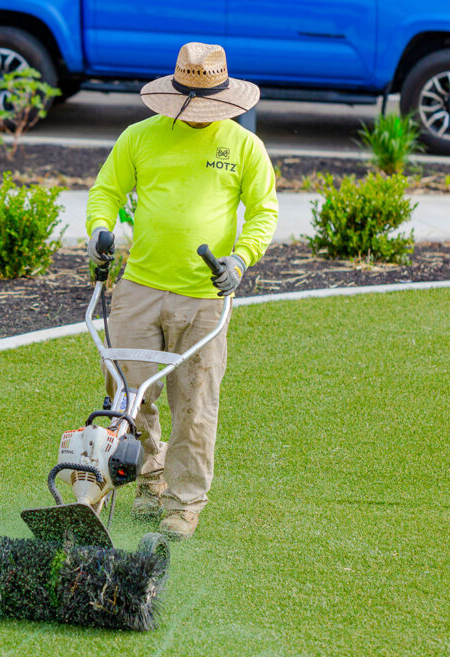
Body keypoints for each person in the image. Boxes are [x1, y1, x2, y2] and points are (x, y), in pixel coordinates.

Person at [84, 42, 278, 540]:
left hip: (204, 296)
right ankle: (151, 478)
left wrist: (240, 259)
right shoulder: (139, 137)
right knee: (128, 398)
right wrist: (100, 230)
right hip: (140, 286)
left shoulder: (244, 147)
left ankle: (184, 503)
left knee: (195, 406)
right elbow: (106, 191)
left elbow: (263, 212)